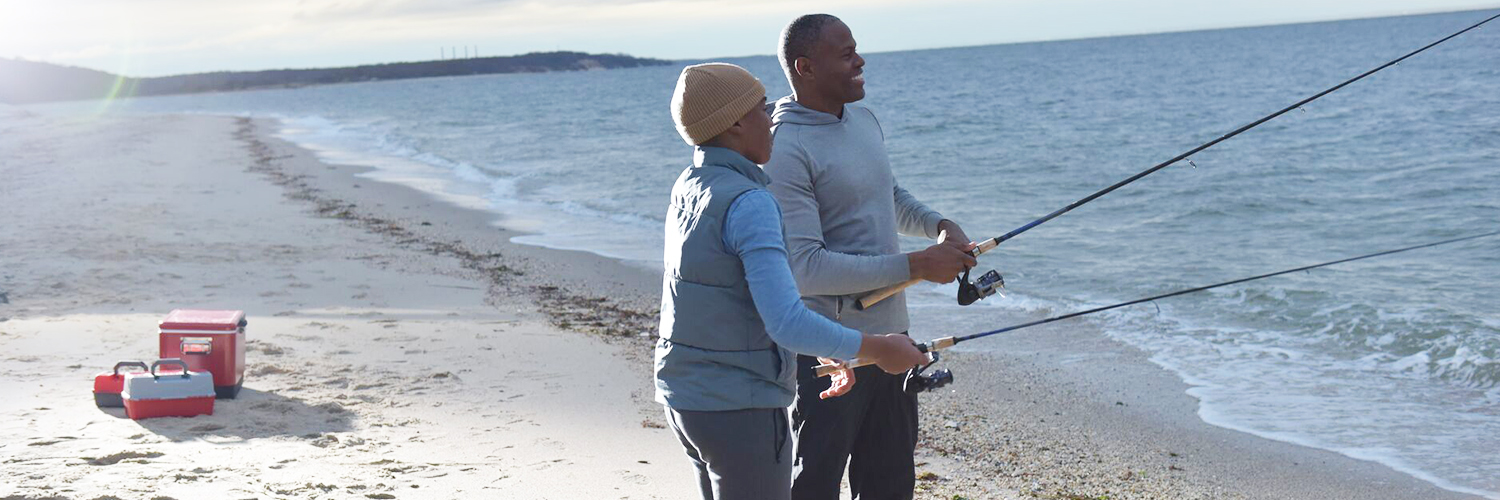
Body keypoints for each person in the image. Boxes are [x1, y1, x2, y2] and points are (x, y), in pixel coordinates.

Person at [655, 62, 931, 500]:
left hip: (685, 398)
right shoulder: (750, 202)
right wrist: (878, 349)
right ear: (735, 125)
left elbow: (729, 301)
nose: (772, 119)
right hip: (739, 408)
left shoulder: (690, 184)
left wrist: (833, 349)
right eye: (762, 110)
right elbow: (785, 320)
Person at [762, 14, 979, 500]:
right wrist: (918, 266)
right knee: (814, 484)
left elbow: (889, 194)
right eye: (845, 55)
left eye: (856, 49)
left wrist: (938, 225)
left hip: (893, 341)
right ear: (806, 68)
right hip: (827, 348)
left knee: (890, 484)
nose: (860, 62)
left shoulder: (863, 119)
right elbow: (805, 269)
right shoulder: (783, 147)